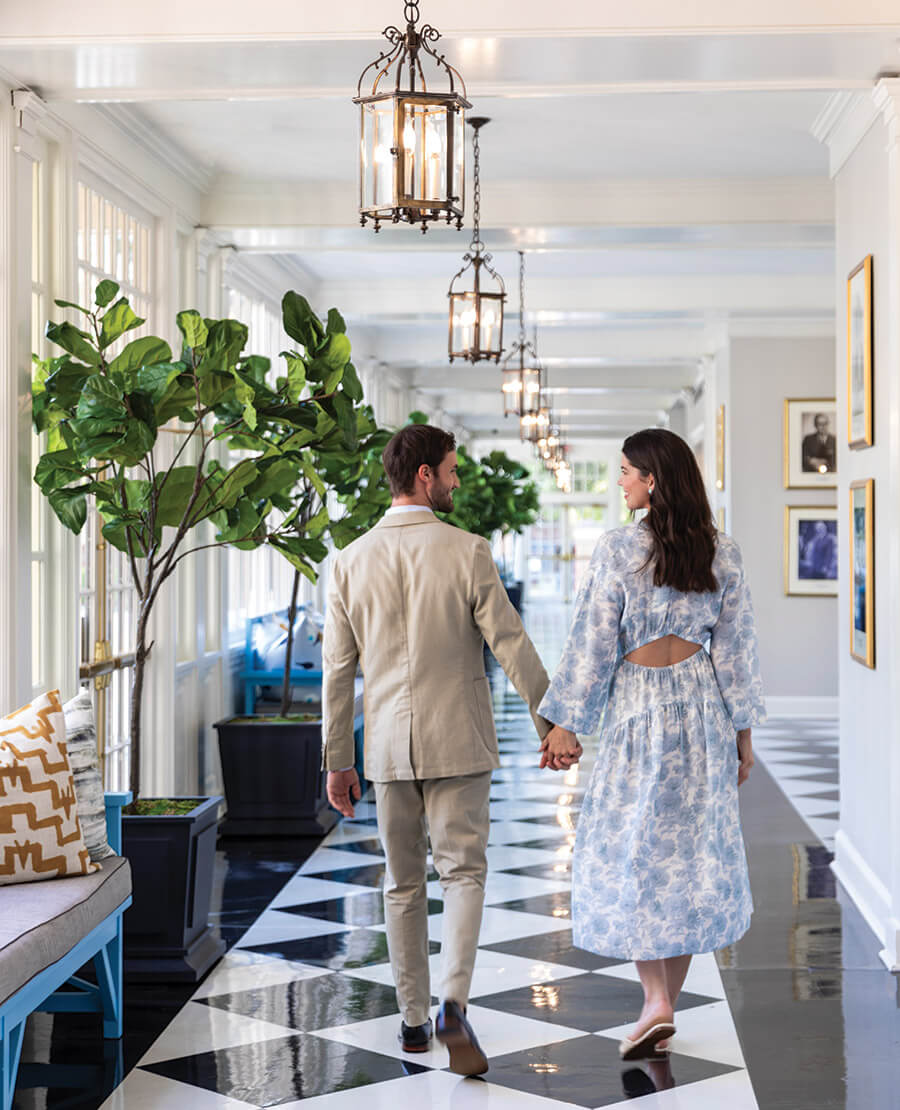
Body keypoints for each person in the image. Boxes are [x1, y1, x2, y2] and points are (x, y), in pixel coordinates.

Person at [321, 423, 553, 1077]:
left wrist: (338, 758)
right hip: (462, 741)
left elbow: (339, 672)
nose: (455, 480)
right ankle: (453, 1000)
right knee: (464, 875)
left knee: (402, 885)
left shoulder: (347, 560)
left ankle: (414, 1023)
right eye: (450, 470)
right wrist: (550, 723)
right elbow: (510, 642)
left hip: (388, 747)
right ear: (424, 475)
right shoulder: (467, 551)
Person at [538, 428, 765, 1060]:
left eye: (626, 472)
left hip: (637, 709)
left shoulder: (616, 550)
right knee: (692, 854)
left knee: (631, 848)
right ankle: (668, 1002)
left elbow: (592, 640)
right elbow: (738, 650)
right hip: (702, 712)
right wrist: (741, 733)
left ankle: (654, 1002)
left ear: (653, 480)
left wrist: (565, 724)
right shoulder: (723, 552)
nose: (619, 481)